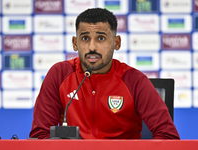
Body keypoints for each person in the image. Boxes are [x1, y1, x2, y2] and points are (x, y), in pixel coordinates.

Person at [29, 8, 180, 139]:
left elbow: (168, 136)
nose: (92, 47)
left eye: (101, 38)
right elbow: (40, 134)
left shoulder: (134, 80)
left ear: (116, 43)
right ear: (75, 43)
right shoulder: (59, 74)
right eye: (85, 38)